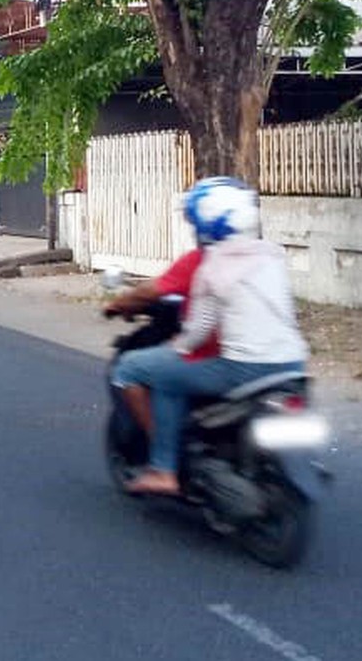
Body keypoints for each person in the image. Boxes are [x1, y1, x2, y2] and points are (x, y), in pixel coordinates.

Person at [109, 176, 308, 497]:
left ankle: (163, 469)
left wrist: (177, 348)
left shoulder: (211, 267)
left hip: (243, 368)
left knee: (146, 372)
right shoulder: (272, 256)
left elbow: (197, 333)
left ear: (205, 223)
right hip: (294, 364)